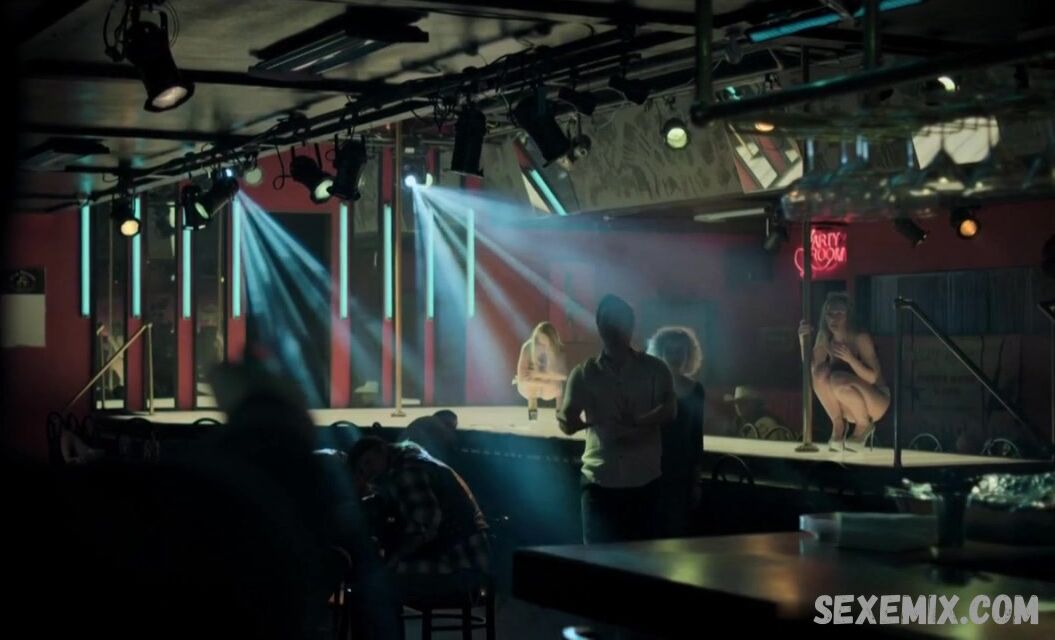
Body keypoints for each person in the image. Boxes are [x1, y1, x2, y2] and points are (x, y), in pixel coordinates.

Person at [559, 294, 676, 544]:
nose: (614, 327)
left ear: (631, 325)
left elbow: (670, 409)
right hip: (600, 481)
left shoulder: (655, 369)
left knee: (644, 559)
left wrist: (639, 420)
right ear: (599, 325)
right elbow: (567, 418)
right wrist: (569, 422)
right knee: (597, 561)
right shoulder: (584, 373)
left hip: (643, 481)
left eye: (619, 320)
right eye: (609, 321)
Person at [347, 437, 490, 604]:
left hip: (460, 566)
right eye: (362, 469)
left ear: (382, 450)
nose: (368, 471)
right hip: (469, 560)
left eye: (369, 462)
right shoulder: (411, 459)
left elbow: (424, 526)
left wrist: (394, 559)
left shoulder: (407, 472)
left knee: (371, 585)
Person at [800, 292, 890, 451]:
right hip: (845, 403)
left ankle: (863, 425)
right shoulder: (824, 336)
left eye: (839, 313)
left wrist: (851, 359)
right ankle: (837, 423)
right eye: (829, 314)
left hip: (875, 401)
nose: (833, 319)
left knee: (837, 379)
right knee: (819, 372)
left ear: (849, 316)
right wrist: (803, 342)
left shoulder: (860, 337)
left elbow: (873, 378)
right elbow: (811, 370)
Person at [647, 326, 705, 537]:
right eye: (669, 351)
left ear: (689, 355)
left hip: (681, 472)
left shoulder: (696, 390)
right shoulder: (649, 386)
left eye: (680, 351)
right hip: (651, 468)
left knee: (676, 533)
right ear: (659, 353)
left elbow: (696, 438)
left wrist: (696, 481)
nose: (675, 357)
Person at [514, 321, 568, 420]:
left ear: (552, 341)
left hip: (551, 387)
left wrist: (541, 375)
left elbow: (564, 375)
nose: (542, 347)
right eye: (539, 343)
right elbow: (521, 377)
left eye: (545, 344)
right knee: (531, 387)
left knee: (559, 388)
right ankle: (533, 418)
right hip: (531, 385)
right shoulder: (528, 347)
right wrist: (541, 378)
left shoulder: (559, 348)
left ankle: (560, 417)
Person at [724, 386, 792, 440]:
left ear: (754, 403)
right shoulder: (738, 423)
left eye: (743, 402)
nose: (738, 406)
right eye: (736, 403)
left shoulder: (767, 423)